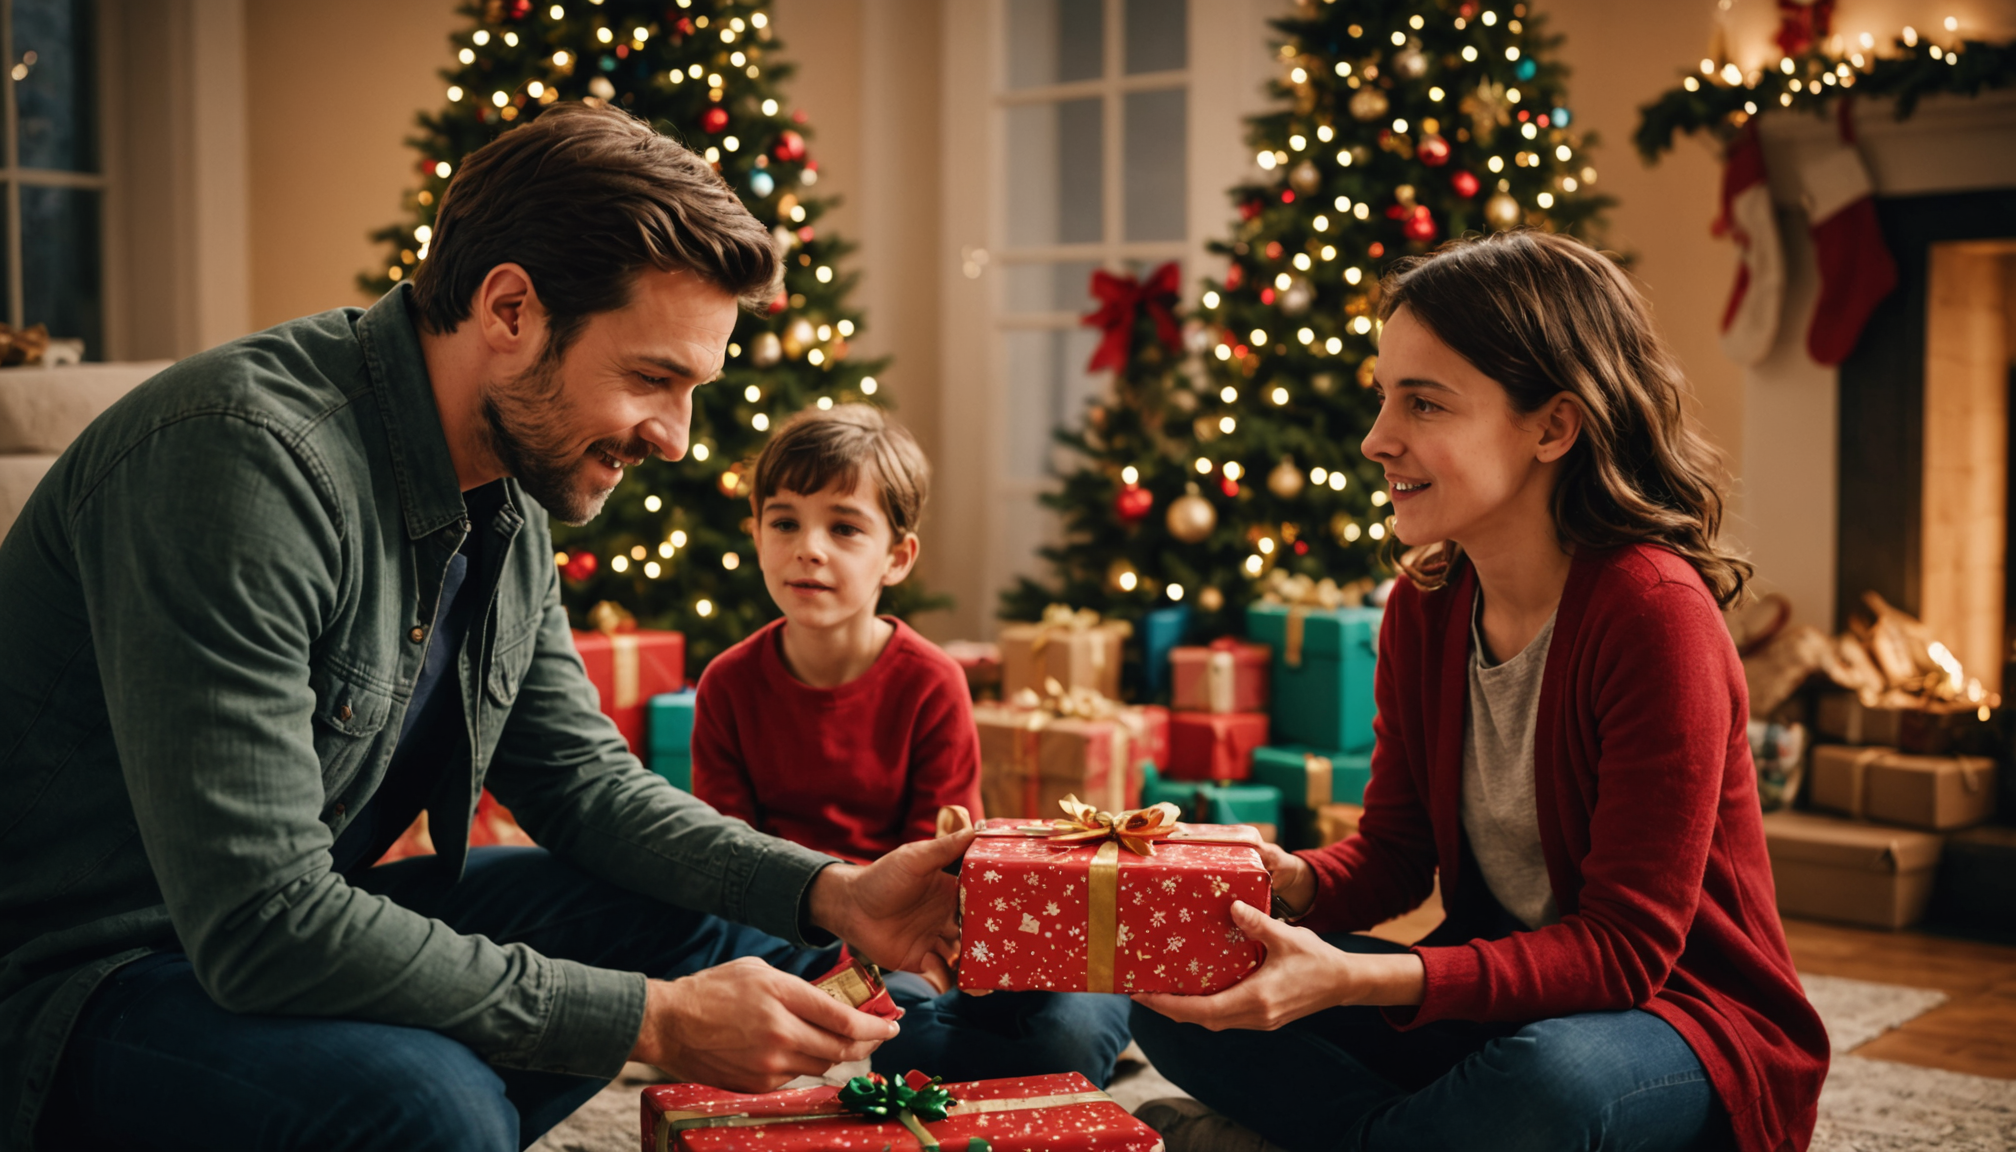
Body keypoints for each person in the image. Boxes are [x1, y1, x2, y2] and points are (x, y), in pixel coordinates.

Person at [0, 103, 975, 1152]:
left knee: (707, 924)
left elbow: (583, 785)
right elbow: (262, 923)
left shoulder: (505, 484)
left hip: (270, 931)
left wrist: (836, 894)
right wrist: (651, 1021)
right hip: (80, 977)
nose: (676, 438)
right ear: (509, 309)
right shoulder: (242, 460)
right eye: (652, 377)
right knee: (431, 1104)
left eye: (692, 388)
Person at [1127, 231, 1829, 1152]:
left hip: (1686, 1024)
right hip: (1507, 1001)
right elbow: (1396, 853)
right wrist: (1288, 883)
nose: (1377, 439)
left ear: (1553, 427)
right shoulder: (1424, 607)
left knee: (1546, 1086)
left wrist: (1355, 979)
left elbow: (1625, 953)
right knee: (1182, 987)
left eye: (1424, 403)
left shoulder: (1654, 615)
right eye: (1384, 395)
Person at [691, 404, 1135, 1085]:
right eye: (784, 522)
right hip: (790, 947)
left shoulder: (930, 681)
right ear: (755, 534)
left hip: (913, 944)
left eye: (844, 528)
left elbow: (943, 865)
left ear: (897, 557)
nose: (809, 548)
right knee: (902, 1043)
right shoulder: (727, 684)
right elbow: (728, 864)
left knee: (1068, 1026)